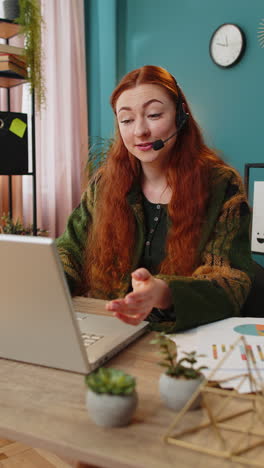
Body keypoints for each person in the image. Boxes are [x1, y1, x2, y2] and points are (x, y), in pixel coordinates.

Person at [56, 65, 253, 333]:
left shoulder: (221, 185)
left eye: (154, 114)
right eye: (126, 120)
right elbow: (70, 251)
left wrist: (166, 292)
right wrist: (47, 280)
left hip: (183, 339)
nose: (140, 131)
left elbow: (232, 279)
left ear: (180, 116)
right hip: (108, 329)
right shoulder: (104, 184)